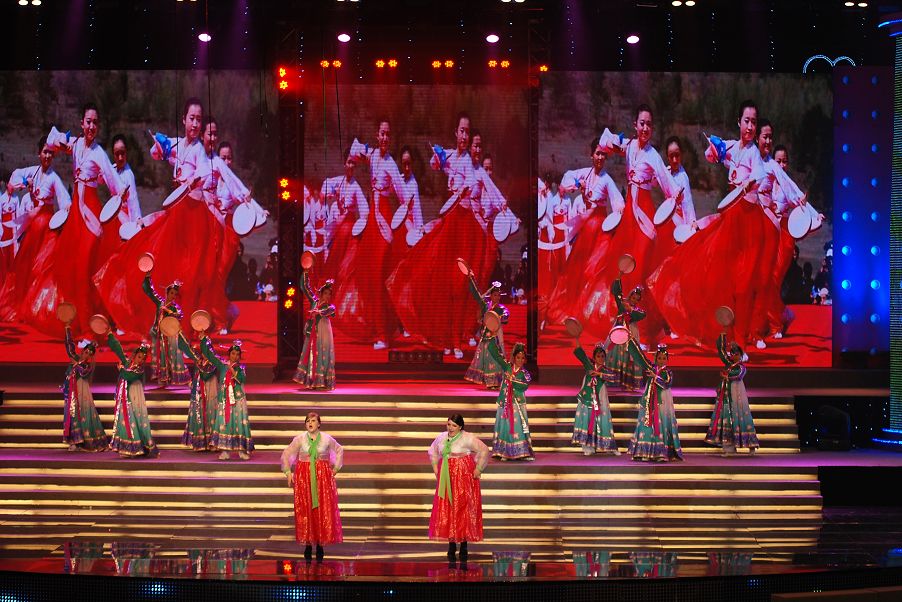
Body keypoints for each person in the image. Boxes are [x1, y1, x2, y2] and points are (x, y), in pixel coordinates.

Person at [648, 100, 772, 350]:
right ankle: (721, 333)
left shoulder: (753, 153)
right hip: (731, 217)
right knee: (717, 274)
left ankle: (740, 341)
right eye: (746, 121)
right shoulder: (734, 146)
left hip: (749, 219)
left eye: (754, 122)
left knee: (744, 283)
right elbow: (710, 154)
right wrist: (717, 148)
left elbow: (760, 174)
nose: (750, 127)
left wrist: (749, 183)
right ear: (739, 122)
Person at [386, 112, 486, 360]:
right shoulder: (451, 155)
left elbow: (472, 183)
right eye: (461, 131)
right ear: (455, 133)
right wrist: (439, 157)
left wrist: (462, 185)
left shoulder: (470, 164)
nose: (464, 136)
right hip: (449, 222)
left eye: (467, 131)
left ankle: (457, 339)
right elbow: (433, 164)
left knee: (461, 283)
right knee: (443, 282)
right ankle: (446, 339)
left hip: (464, 225)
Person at [591, 105, 684, 343]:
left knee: (641, 269)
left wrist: (675, 197)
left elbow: (669, 186)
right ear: (635, 125)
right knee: (623, 270)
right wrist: (615, 142)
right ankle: (625, 327)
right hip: (629, 217)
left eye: (649, 124)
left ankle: (644, 332)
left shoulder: (653, 156)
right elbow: (604, 142)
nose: (645, 128)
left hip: (645, 217)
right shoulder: (630, 146)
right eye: (642, 123)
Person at [40, 104, 127, 337]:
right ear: (81, 123)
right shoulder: (76, 144)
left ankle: (92, 330)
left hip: (91, 215)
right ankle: (81, 324)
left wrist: (120, 195)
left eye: (95, 122)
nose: (91, 126)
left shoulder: (99, 153)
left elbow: (115, 184)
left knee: (86, 268)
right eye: (88, 121)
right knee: (71, 267)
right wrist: (63, 142)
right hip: (76, 216)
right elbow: (51, 141)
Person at [545, 140, 624, 331]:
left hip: (601, 228)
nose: (600, 157)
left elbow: (618, 203)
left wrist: (618, 215)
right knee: (576, 269)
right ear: (591, 155)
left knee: (594, 269)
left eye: (603, 154)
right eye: (597, 153)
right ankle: (575, 311)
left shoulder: (607, 180)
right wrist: (575, 185)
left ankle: (593, 313)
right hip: (587, 227)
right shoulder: (585, 173)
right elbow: (566, 179)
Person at [344, 119, 409, 350]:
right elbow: (353, 152)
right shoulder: (372, 156)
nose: (384, 138)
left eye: (388, 134)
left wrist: (404, 223)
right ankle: (376, 327)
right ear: (377, 135)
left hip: (384, 220)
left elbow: (404, 198)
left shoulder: (391, 165)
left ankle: (385, 332)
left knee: (381, 273)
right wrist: (365, 152)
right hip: (372, 218)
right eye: (381, 133)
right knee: (368, 273)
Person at [0, 139, 71, 321]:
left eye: (50, 153)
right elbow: (15, 175)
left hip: (47, 227)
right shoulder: (34, 171)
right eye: (45, 152)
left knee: (43, 267)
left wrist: (65, 211)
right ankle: (24, 306)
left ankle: (40, 310)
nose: (47, 156)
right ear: (39, 153)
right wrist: (25, 182)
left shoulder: (54, 178)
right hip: (33, 227)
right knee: (24, 266)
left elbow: (64, 200)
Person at [281, 412, 344, 561]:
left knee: (321, 508)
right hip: (304, 478)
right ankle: (308, 543)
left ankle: (320, 543)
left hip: (322, 479)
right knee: (306, 509)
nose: (310, 423)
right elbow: (286, 454)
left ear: (319, 424)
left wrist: (335, 469)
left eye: (313, 421)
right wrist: (288, 472)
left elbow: (339, 450)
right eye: (308, 421)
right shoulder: (300, 439)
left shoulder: (327, 438)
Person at [428, 414, 490, 561]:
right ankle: (451, 543)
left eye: (454, 425)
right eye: (449, 424)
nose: (450, 428)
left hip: (463, 475)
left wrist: (478, 469)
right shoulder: (442, 437)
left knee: (463, 508)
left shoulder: (467, 438)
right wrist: (436, 469)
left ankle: (463, 544)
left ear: (460, 427)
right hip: (447, 475)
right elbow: (433, 451)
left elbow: (484, 450)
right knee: (449, 507)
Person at [626, 340, 682, 462]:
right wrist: (631, 342)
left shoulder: (667, 372)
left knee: (660, 425)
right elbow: (640, 358)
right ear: (655, 358)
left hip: (662, 402)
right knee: (646, 424)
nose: (661, 360)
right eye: (659, 358)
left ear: (667, 360)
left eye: (664, 358)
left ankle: (660, 452)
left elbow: (667, 383)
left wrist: (655, 377)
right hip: (649, 401)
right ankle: (644, 451)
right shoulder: (651, 367)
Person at [705, 333, 759, 456]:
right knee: (726, 419)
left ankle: (751, 445)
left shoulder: (741, 367)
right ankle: (729, 448)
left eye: (737, 354)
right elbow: (722, 353)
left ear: (741, 355)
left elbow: (738, 376)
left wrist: (727, 376)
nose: (734, 356)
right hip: (726, 396)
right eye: (732, 354)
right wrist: (722, 338)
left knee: (741, 418)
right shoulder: (729, 364)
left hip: (736, 398)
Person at [107, 331, 159, 458]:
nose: (141, 360)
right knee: (125, 420)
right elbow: (118, 350)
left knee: (134, 419)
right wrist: (110, 335)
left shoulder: (139, 369)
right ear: (135, 355)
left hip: (134, 398)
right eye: (139, 357)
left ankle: (138, 447)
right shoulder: (128, 364)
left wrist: (121, 369)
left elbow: (128, 376)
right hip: (125, 397)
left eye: (143, 358)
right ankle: (127, 448)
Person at [203, 336, 254, 460]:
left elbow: (241, 379)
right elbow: (210, 355)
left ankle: (241, 450)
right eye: (233, 353)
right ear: (229, 354)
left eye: (237, 354)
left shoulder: (241, 368)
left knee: (239, 425)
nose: (235, 356)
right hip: (224, 400)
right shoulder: (222, 366)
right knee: (224, 425)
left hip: (238, 401)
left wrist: (233, 370)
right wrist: (203, 340)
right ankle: (225, 451)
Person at [96, 134, 142, 267]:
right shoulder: (113, 169)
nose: (120, 157)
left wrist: (137, 220)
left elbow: (133, 201)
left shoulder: (128, 174)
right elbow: (101, 179)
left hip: (124, 219)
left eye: (123, 153)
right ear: (113, 154)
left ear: (126, 152)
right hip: (112, 217)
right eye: (117, 154)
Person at [62, 325, 109, 452]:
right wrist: (67, 329)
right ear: (82, 351)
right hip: (71, 391)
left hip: (81, 392)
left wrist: (77, 364)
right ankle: (73, 441)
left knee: (81, 414)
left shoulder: (87, 366)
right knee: (71, 414)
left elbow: (83, 372)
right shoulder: (76, 358)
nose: (87, 355)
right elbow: (69, 348)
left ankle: (85, 440)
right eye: (86, 352)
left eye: (90, 354)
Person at [487, 338, 533, 460]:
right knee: (505, 427)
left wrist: (512, 380)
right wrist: (491, 338)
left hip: (517, 404)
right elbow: (496, 355)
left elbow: (524, 386)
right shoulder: (507, 367)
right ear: (514, 358)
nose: (520, 360)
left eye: (522, 358)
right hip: (505, 403)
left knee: (518, 428)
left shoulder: (525, 373)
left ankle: (521, 452)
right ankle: (504, 452)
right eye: (518, 358)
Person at [571, 340, 619, 456]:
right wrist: (577, 339)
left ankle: (609, 446)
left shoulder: (605, 370)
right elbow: (581, 355)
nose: (601, 358)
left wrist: (599, 374)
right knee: (587, 421)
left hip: (600, 399)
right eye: (598, 356)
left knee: (603, 420)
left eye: (602, 356)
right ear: (594, 357)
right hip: (588, 399)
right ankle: (587, 446)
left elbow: (614, 377)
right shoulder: (589, 366)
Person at [143, 273, 190, 386]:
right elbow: (150, 292)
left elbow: (179, 315)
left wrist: (169, 312)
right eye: (172, 293)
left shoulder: (175, 307)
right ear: (167, 292)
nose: (173, 296)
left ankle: (174, 377)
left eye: (175, 294)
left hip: (170, 335)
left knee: (173, 355)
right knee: (160, 356)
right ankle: (162, 378)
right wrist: (147, 278)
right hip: (159, 334)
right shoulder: (160, 302)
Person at [463, 277, 509, 389]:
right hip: (485, 338)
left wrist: (500, 318)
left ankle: (496, 382)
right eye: (495, 295)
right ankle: (489, 382)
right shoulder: (486, 306)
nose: (497, 297)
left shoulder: (502, 309)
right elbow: (477, 295)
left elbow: (506, 317)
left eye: (498, 295)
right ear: (491, 296)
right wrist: (471, 279)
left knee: (495, 360)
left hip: (495, 339)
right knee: (486, 360)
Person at [293, 271, 336, 391]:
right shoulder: (314, 302)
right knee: (311, 355)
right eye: (325, 293)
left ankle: (322, 381)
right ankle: (311, 381)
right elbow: (305, 288)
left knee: (323, 356)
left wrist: (319, 312)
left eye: (329, 294)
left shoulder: (329, 307)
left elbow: (330, 311)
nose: (327, 296)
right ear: (321, 293)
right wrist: (306, 272)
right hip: (312, 334)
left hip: (323, 335)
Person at [177, 332, 219, 451]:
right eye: (203, 350)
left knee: (211, 413)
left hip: (211, 391)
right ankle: (199, 442)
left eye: (207, 350)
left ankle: (212, 442)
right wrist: (179, 333)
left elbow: (206, 375)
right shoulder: (199, 359)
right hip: (198, 392)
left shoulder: (214, 362)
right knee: (198, 412)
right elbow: (187, 348)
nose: (205, 353)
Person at [605, 275, 647, 391]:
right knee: (614, 352)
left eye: (636, 299)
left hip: (630, 332)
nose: (634, 300)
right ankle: (614, 381)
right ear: (630, 296)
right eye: (633, 297)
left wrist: (630, 309)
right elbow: (617, 292)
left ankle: (628, 382)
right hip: (619, 330)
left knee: (631, 355)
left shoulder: (636, 311)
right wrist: (618, 277)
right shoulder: (622, 304)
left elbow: (642, 315)